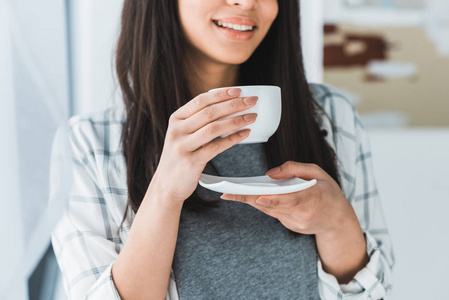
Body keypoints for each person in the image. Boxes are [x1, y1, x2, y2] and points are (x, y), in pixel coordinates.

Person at [51, 0, 394, 299]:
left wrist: (336, 223)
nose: (245, 2)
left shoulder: (330, 115)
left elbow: (372, 293)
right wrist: (166, 191)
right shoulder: (87, 145)